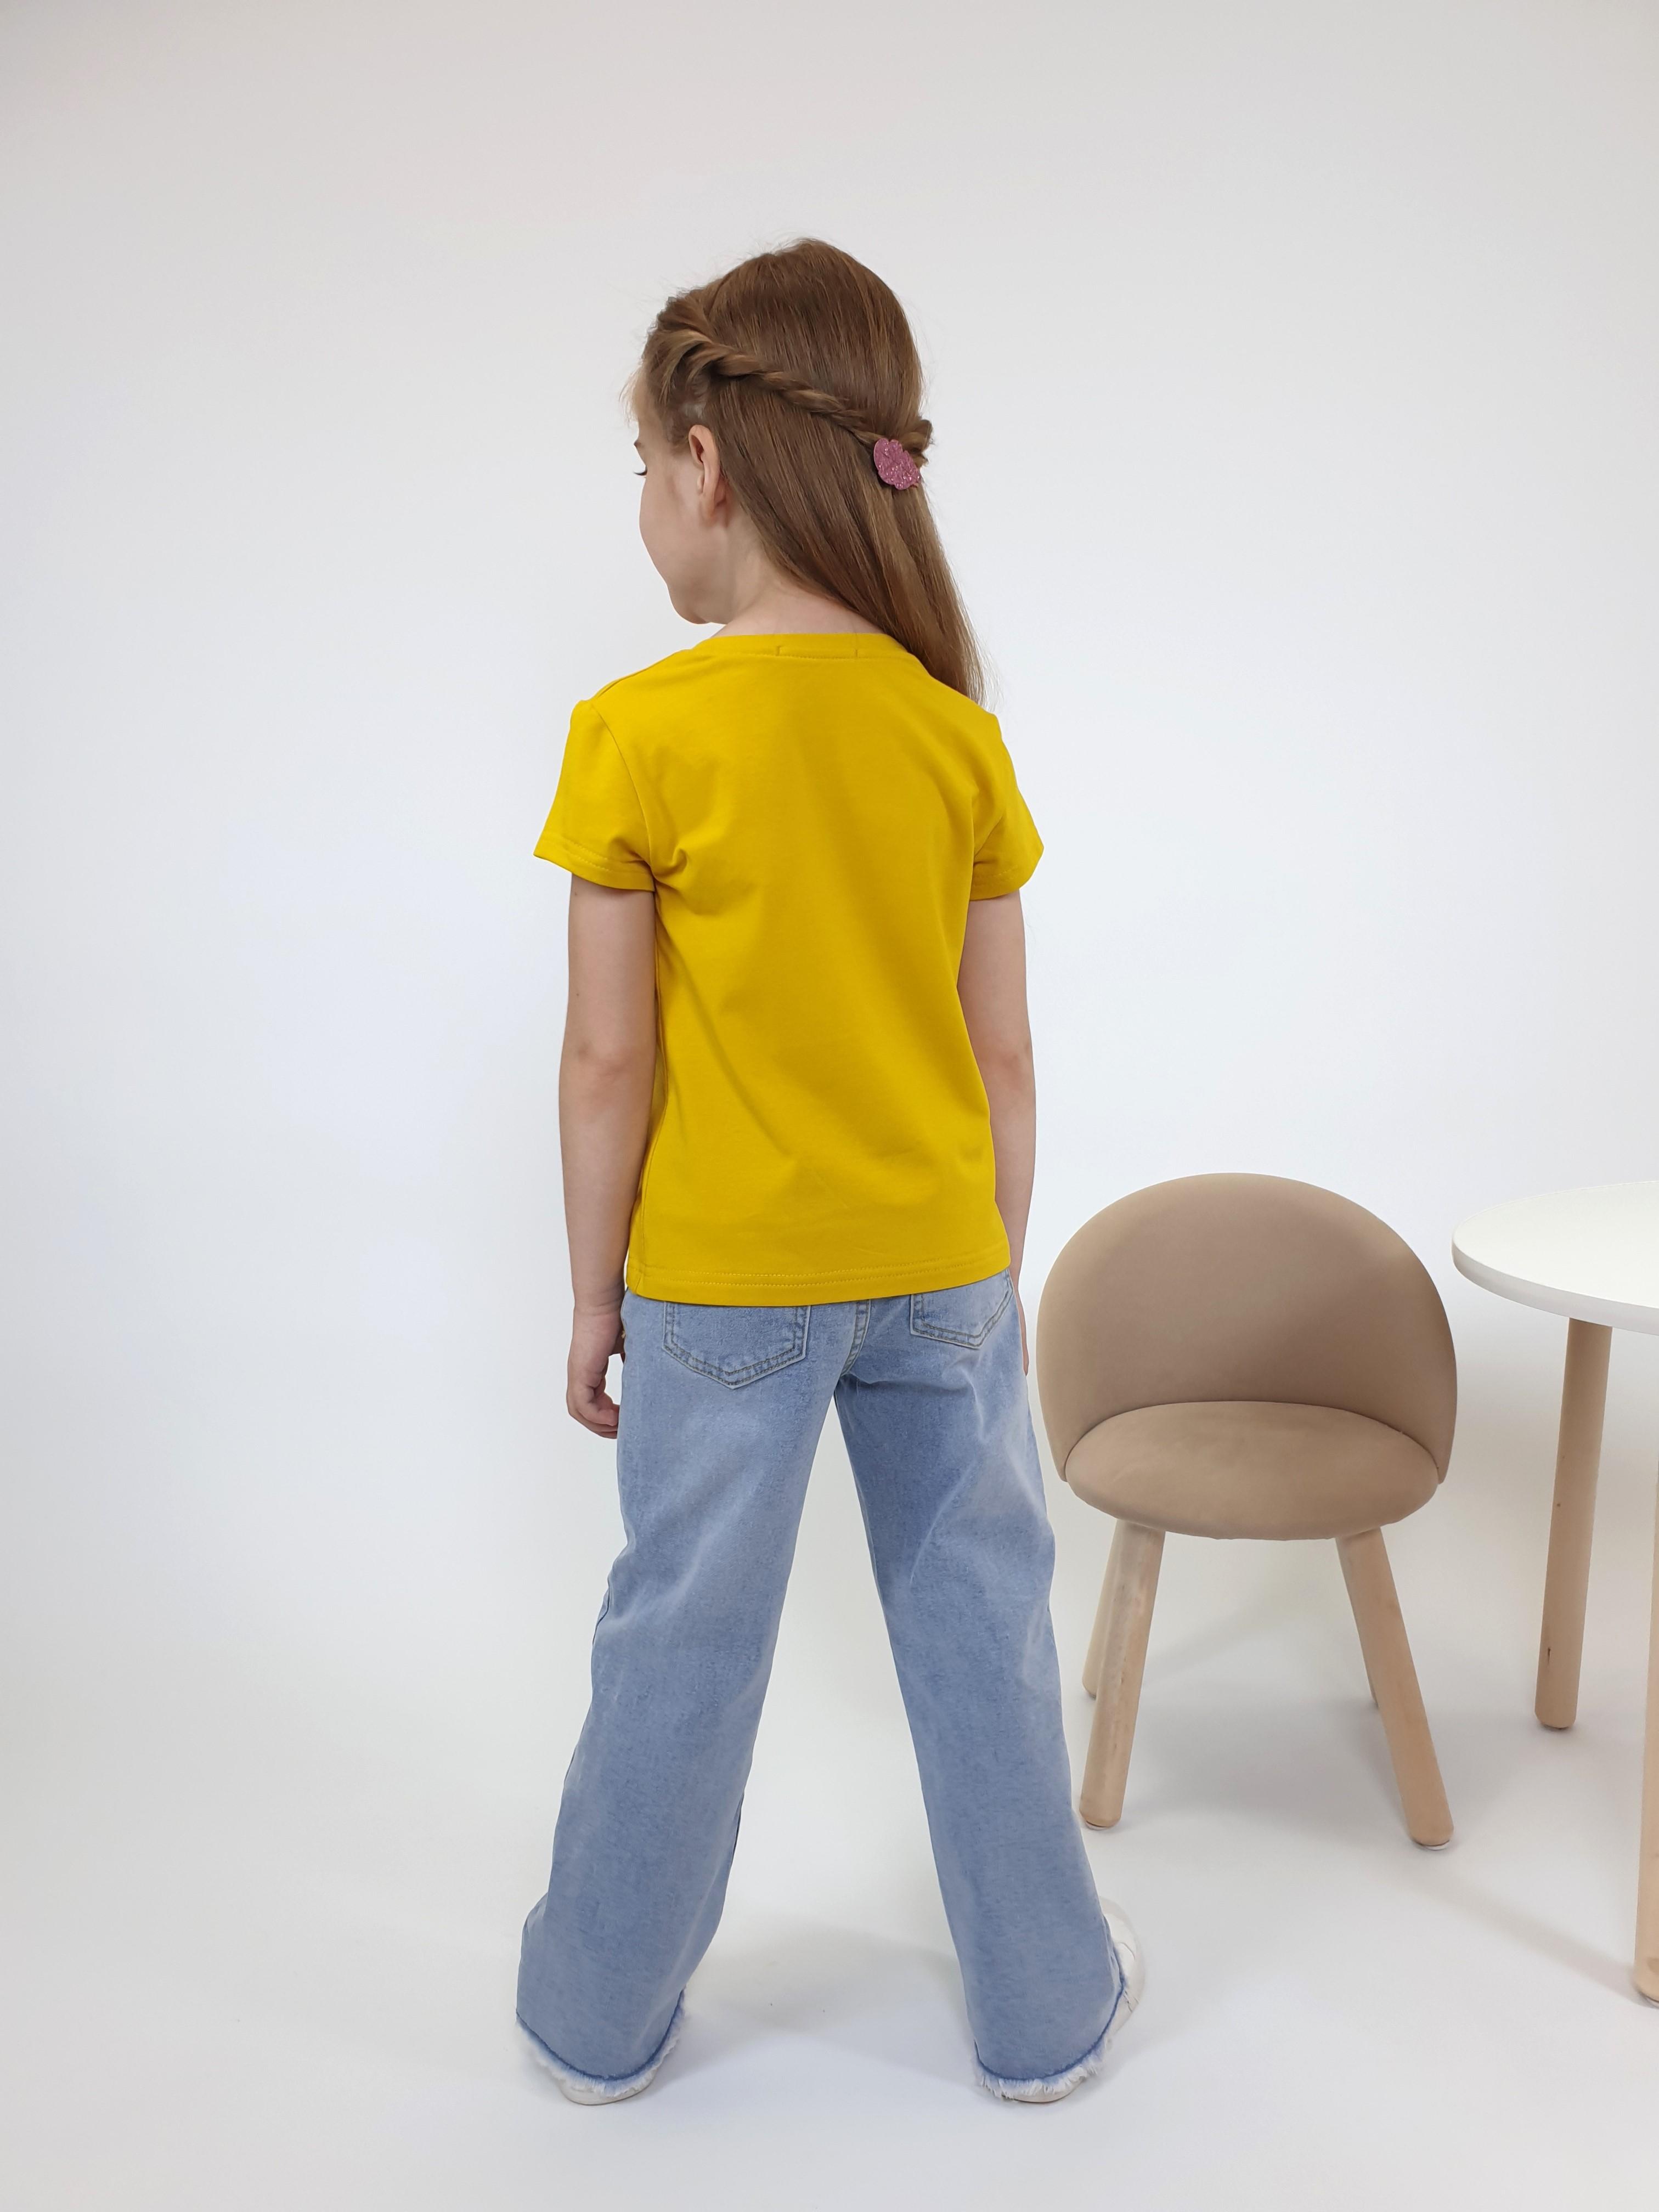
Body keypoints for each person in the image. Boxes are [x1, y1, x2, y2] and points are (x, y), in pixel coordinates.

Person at [516, 239, 1141, 2105]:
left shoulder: (639, 735)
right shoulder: (956, 736)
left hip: (722, 1287)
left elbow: (608, 1062)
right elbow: (1001, 1055)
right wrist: (986, 1273)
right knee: (982, 1635)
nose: (644, 497)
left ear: (707, 464)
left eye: (643, 461)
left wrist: (594, 1295)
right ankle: (1047, 2017)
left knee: (681, 1644)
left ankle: (595, 2022)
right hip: (940, 1268)